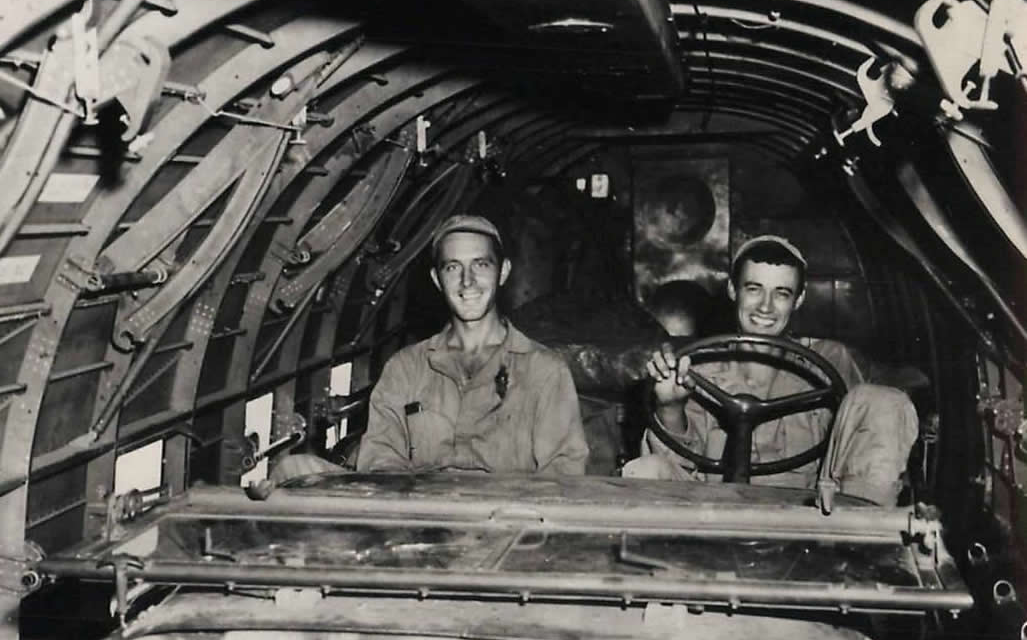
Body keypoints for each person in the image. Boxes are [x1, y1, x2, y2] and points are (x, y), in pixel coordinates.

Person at [623, 235, 918, 507]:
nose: (765, 307)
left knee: (884, 400)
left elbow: (886, 407)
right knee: (646, 470)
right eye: (754, 289)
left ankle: (861, 531)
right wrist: (671, 407)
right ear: (732, 290)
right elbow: (679, 466)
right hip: (713, 508)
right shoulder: (697, 369)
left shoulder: (829, 360)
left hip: (809, 512)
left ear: (799, 299)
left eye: (781, 294)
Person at [355, 214, 588, 474]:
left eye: (481, 265)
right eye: (452, 267)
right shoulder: (405, 369)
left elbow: (563, 475)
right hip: (425, 501)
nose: (467, 281)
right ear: (437, 279)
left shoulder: (544, 371)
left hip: (511, 502)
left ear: (503, 272)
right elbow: (381, 462)